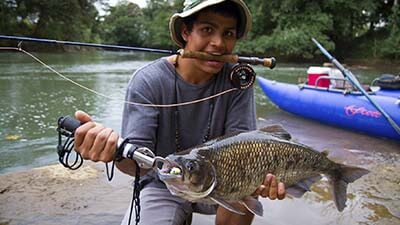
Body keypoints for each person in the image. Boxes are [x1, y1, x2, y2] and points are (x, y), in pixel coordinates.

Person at [73, 0, 286, 224]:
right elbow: (138, 168)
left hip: (226, 182)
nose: (218, 43)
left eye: (228, 33)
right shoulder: (148, 81)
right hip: (164, 183)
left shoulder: (239, 79)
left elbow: (244, 152)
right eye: (207, 30)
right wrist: (114, 152)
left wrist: (259, 180)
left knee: (247, 187)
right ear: (186, 32)